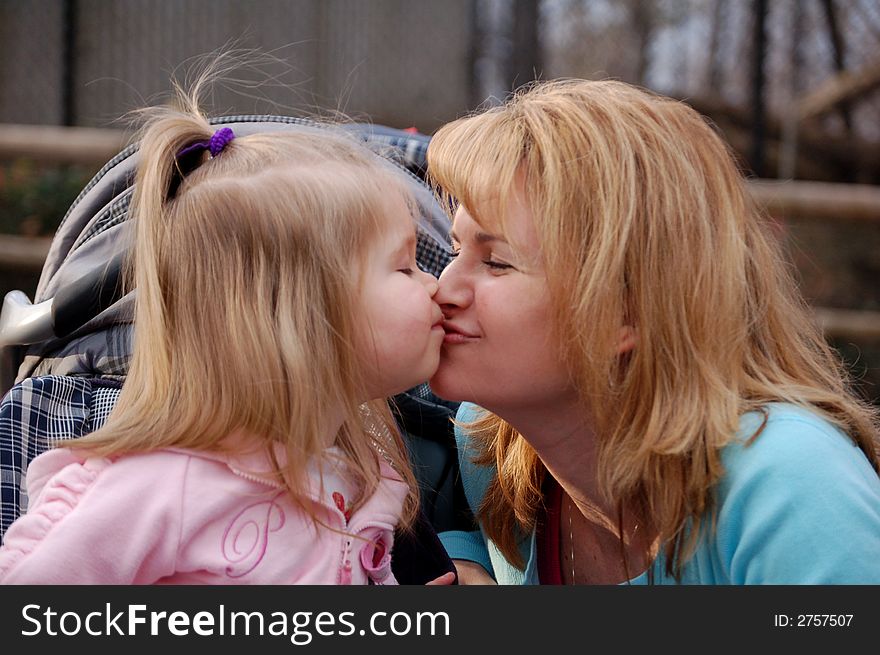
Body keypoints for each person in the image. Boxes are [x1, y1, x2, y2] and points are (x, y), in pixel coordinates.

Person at [427, 79, 880, 584]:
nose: (443, 287)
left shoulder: (791, 486)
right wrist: (460, 557)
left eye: (495, 262)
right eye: (454, 250)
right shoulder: (491, 450)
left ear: (624, 313)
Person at [0, 87, 448, 584]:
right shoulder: (160, 487)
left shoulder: (355, 478)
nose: (436, 282)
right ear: (304, 315)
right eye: (406, 267)